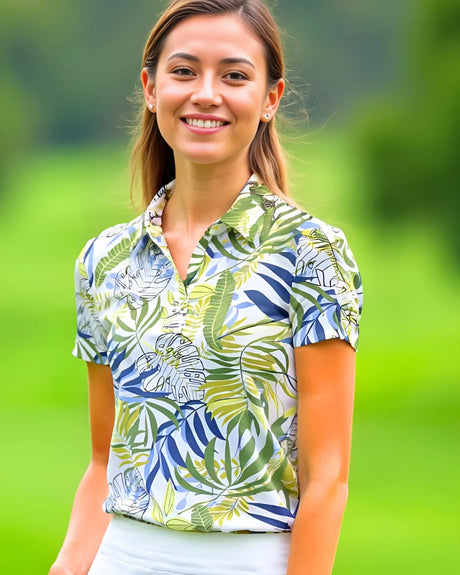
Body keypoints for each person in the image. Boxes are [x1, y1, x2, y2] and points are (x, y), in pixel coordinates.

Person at [49, 0, 363, 574]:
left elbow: (327, 480)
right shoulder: (105, 260)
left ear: (270, 99)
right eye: (185, 71)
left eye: (235, 75)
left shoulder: (312, 253)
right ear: (150, 87)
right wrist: (69, 566)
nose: (206, 93)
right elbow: (103, 461)